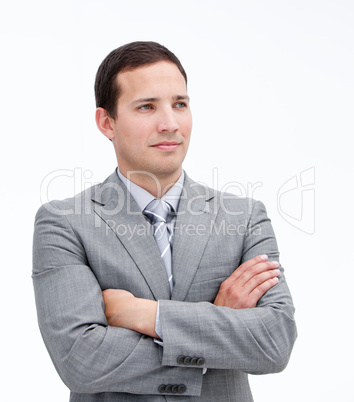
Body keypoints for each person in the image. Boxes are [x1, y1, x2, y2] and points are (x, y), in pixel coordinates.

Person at [32, 41, 297, 402]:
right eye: (146, 106)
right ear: (106, 122)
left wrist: (147, 314)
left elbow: (274, 342)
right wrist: (215, 325)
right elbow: (80, 360)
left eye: (180, 104)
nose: (170, 124)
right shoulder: (64, 223)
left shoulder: (245, 217)